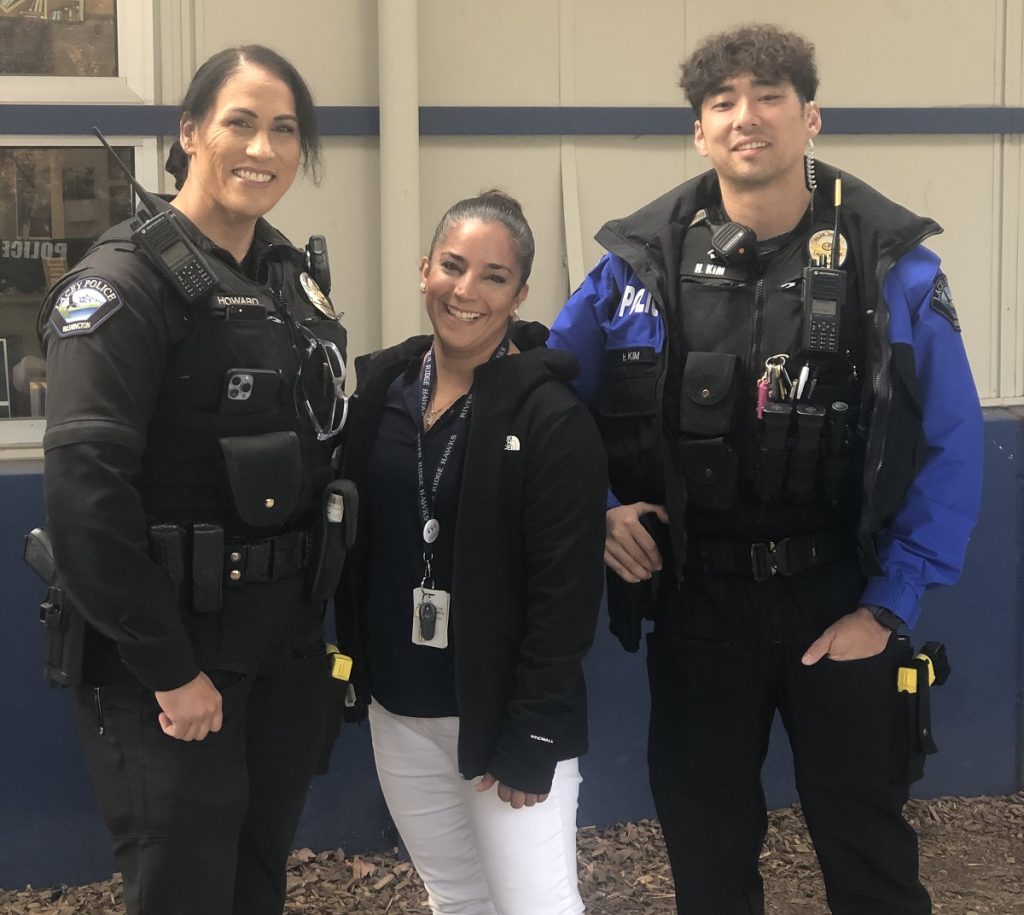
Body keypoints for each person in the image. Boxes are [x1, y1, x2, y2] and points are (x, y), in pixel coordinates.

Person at [549, 23, 983, 915]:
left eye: (770, 96)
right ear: (701, 133)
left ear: (811, 116)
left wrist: (889, 604)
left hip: (841, 595)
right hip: (698, 602)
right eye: (722, 103)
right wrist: (597, 509)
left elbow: (951, 440)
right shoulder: (636, 267)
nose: (747, 117)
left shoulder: (890, 263)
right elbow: (548, 405)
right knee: (706, 854)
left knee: (869, 853)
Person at [38, 45, 350, 915]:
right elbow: (85, 501)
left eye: (285, 129)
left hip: (278, 654)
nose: (264, 146)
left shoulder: (287, 278)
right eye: (239, 122)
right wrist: (171, 671)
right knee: (185, 895)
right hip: (171, 673)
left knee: (255, 885)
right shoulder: (124, 284)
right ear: (189, 133)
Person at [335, 190, 607, 915]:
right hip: (400, 710)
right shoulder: (379, 395)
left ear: (518, 294)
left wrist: (534, 732)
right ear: (425, 271)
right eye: (453, 265)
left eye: (493, 276)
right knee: (456, 899)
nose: (466, 290)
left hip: (501, 716)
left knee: (538, 907)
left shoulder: (552, 417)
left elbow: (566, 592)